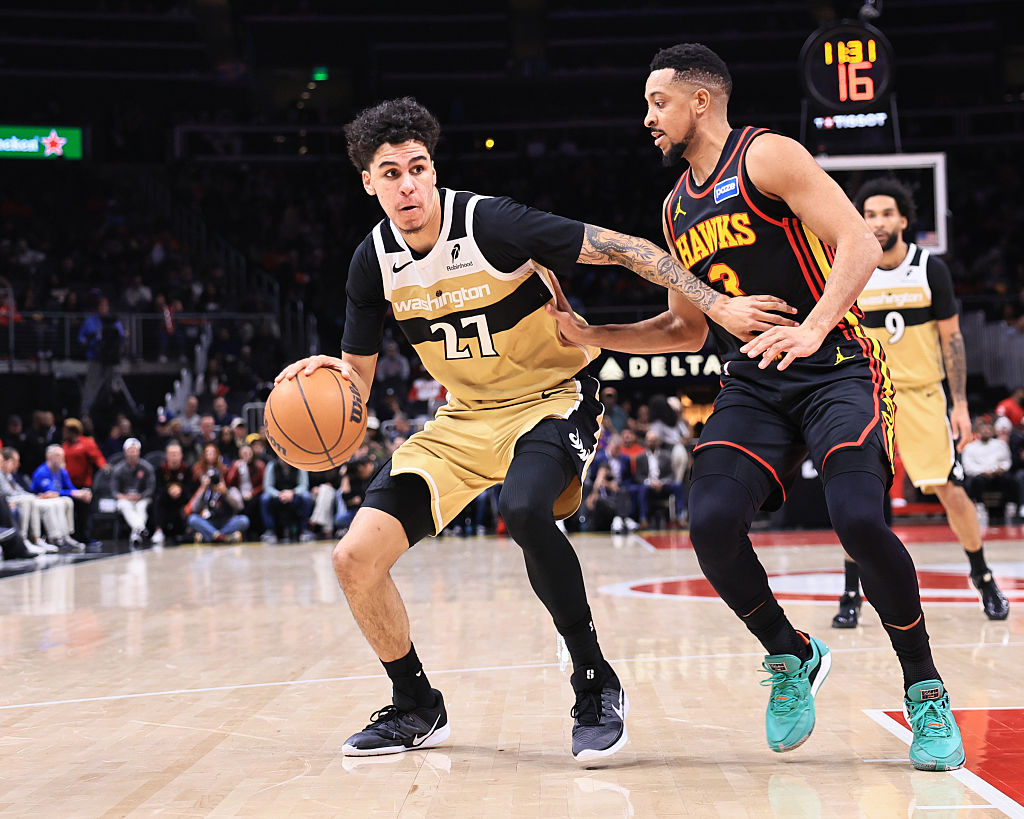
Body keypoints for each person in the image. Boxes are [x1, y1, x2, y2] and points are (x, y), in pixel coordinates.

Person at [276, 96, 791, 760]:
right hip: (464, 419)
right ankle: (415, 703)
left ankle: (593, 678)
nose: (408, 184)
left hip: (552, 398)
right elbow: (358, 384)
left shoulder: (489, 222)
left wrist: (716, 303)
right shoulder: (371, 261)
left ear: (433, 171)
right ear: (368, 182)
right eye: (391, 172)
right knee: (354, 558)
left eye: (418, 167)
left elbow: (625, 248)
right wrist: (332, 398)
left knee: (522, 508)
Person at [547, 44, 964, 771]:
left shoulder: (767, 156)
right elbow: (684, 326)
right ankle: (790, 654)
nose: (648, 117)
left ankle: (925, 686)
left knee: (860, 519)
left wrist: (813, 325)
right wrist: (596, 335)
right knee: (707, 522)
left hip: (836, 366)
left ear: (700, 101)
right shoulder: (676, 207)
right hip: (755, 381)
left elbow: (859, 244)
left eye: (659, 102)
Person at [832, 178, 1008, 625]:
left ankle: (983, 577)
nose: (877, 222)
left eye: (886, 213)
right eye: (869, 214)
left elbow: (952, 338)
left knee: (951, 489)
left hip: (924, 394)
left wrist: (961, 404)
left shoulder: (930, 269)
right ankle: (851, 593)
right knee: (858, 499)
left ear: (904, 219)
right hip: (868, 395)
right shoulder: (850, 268)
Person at [29, 445, 90, 551]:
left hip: (54, 499)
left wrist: (82, 493)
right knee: (58, 502)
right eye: (58, 455)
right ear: (49, 456)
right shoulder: (42, 472)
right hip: (40, 500)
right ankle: (55, 537)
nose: (61, 458)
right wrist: (73, 493)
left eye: (62, 456)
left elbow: (70, 489)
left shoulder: (62, 471)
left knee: (68, 501)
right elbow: (51, 492)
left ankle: (66, 535)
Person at [962, 418, 1018, 523]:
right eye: (983, 431)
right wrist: (983, 471)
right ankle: (979, 506)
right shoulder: (970, 447)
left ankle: (1011, 505)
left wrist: (1001, 469)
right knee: (975, 481)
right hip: (980, 474)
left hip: (997, 474)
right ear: (977, 433)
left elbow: (1006, 461)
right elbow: (968, 466)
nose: (986, 432)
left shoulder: (1000, 445)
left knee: (1010, 478)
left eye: (988, 430)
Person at [112, 437, 156, 549]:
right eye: (130, 450)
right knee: (123, 505)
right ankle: (140, 528)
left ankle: (136, 532)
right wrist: (126, 497)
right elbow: (114, 491)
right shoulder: (118, 469)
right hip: (125, 499)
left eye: (135, 450)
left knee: (141, 507)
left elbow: (151, 489)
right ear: (125, 452)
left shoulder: (147, 468)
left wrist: (140, 496)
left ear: (139, 452)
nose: (133, 453)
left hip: (142, 498)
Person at [185, 468, 249, 543]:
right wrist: (202, 489)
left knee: (244, 520)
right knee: (192, 518)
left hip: (227, 522)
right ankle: (223, 537)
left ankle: (210, 537)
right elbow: (194, 508)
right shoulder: (206, 491)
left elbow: (240, 506)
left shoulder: (231, 489)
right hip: (210, 522)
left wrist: (226, 493)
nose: (213, 482)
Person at [259, 456, 314, 544]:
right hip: (277, 496)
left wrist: (292, 492)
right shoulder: (272, 465)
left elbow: (304, 485)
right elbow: (268, 487)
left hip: (294, 496)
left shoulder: (299, 465)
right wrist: (279, 494)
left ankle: (304, 530)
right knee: (264, 498)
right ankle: (270, 531)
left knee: (306, 496)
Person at [151, 441, 196, 546]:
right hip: (165, 499)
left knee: (191, 499)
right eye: (171, 454)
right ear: (167, 456)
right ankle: (159, 531)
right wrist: (169, 490)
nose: (174, 457)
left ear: (181, 455)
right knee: (157, 499)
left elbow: (191, 488)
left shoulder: (187, 469)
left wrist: (180, 490)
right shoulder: (160, 469)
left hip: (182, 498)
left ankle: (188, 529)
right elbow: (157, 488)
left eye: (176, 454)